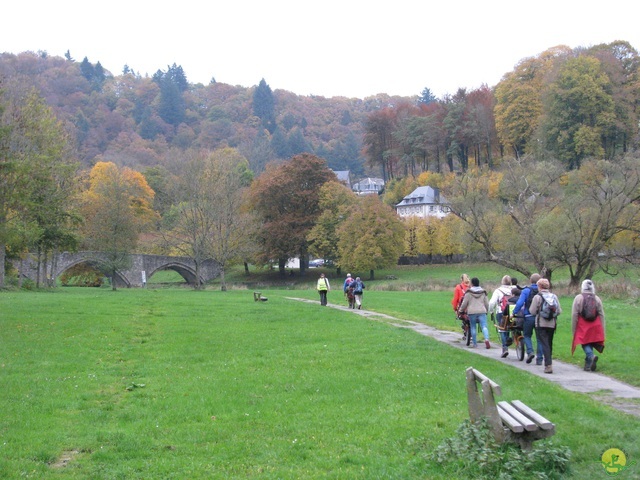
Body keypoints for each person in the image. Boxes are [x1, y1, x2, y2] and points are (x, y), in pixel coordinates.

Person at [571, 279, 606, 371]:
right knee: (590, 342)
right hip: (595, 325)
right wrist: (602, 329)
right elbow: (601, 314)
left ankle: (591, 356)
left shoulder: (578, 298)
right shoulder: (597, 298)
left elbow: (574, 314)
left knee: (584, 343)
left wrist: (574, 329)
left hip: (583, 325)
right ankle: (587, 365)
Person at [529, 278, 562, 374]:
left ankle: (548, 365)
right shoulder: (554, 296)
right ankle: (549, 362)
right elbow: (559, 311)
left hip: (541, 323)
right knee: (549, 343)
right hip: (552, 324)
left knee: (544, 344)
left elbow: (532, 311)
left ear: (539, 286)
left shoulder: (537, 297)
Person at [513, 273, 544, 365]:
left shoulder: (526, 290)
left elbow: (519, 303)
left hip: (528, 316)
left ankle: (530, 352)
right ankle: (539, 359)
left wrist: (514, 312)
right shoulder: (542, 291)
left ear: (530, 280)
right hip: (540, 317)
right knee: (539, 338)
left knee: (527, 335)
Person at [458, 277, 491, 349]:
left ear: (472, 284)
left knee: (473, 327)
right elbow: (487, 303)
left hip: (471, 312)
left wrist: (460, 311)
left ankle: (475, 343)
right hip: (482, 311)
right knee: (484, 326)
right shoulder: (483, 292)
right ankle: (486, 339)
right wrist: (487, 310)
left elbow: (464, 304)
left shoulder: (468, 293)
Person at [488, 275, 514, 358]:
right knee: (510, 327)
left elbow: (492, 303)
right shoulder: (514, 289)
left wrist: (491, 311)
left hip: (501, 312)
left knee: (502, 329)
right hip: (512, 312)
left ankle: (505, 348)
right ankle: (510, 339)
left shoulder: (498, 290)